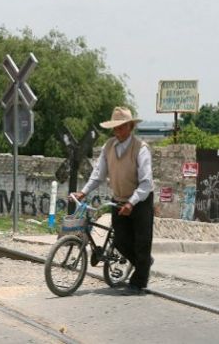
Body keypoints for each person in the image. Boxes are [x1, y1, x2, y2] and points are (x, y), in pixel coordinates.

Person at [71, 106, 154, 296]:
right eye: (115, 127)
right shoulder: (108, 146)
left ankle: (138, 282)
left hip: (140, 201)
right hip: (119, 200)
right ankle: (144, 263)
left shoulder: (140, 148)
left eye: (121, 127)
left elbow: (146, 182)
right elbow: (98, 174)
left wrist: (132, 203)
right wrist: (83, 192)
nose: (117, 131)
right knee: (120, 241)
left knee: (142, 242)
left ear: (130, 126)